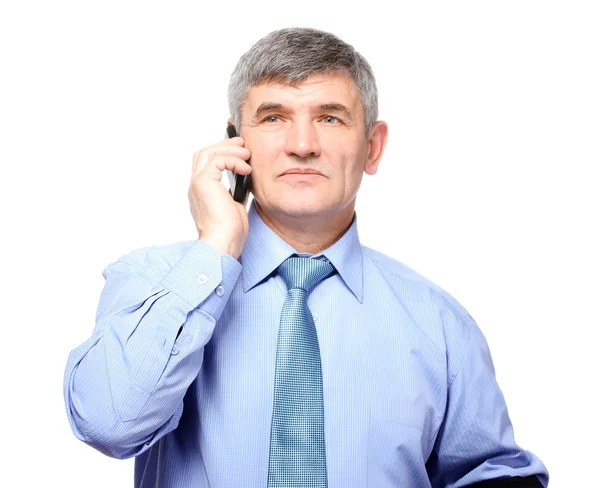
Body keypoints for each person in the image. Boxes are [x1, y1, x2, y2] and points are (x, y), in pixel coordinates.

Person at [63, 27, 549, 487]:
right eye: (273, 117)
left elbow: (491, 471)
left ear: (373, 147)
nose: (302, 146)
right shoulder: (153, 282)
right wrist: (214, 246)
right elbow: (110, 423)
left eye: (330, 117)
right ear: (236, 143)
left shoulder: (439, 321)